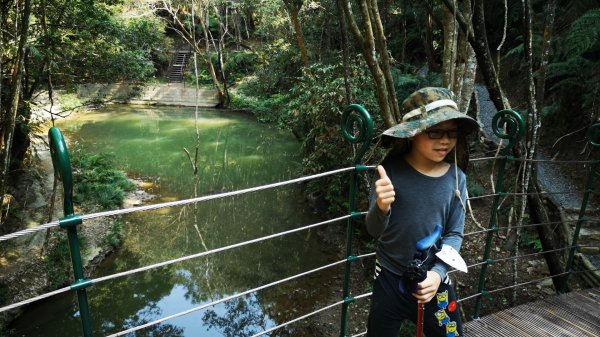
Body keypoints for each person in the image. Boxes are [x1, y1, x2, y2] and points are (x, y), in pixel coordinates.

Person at [365, 87, 482, 337]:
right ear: (412, 135)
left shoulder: (456, 177)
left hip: (434, 282)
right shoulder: (390, 171)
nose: (445, 140)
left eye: (451, 133)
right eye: (435, 132)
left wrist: (438, 275)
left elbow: (454, 234)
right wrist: (382, 207)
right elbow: (374, 230)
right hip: (389, 277)